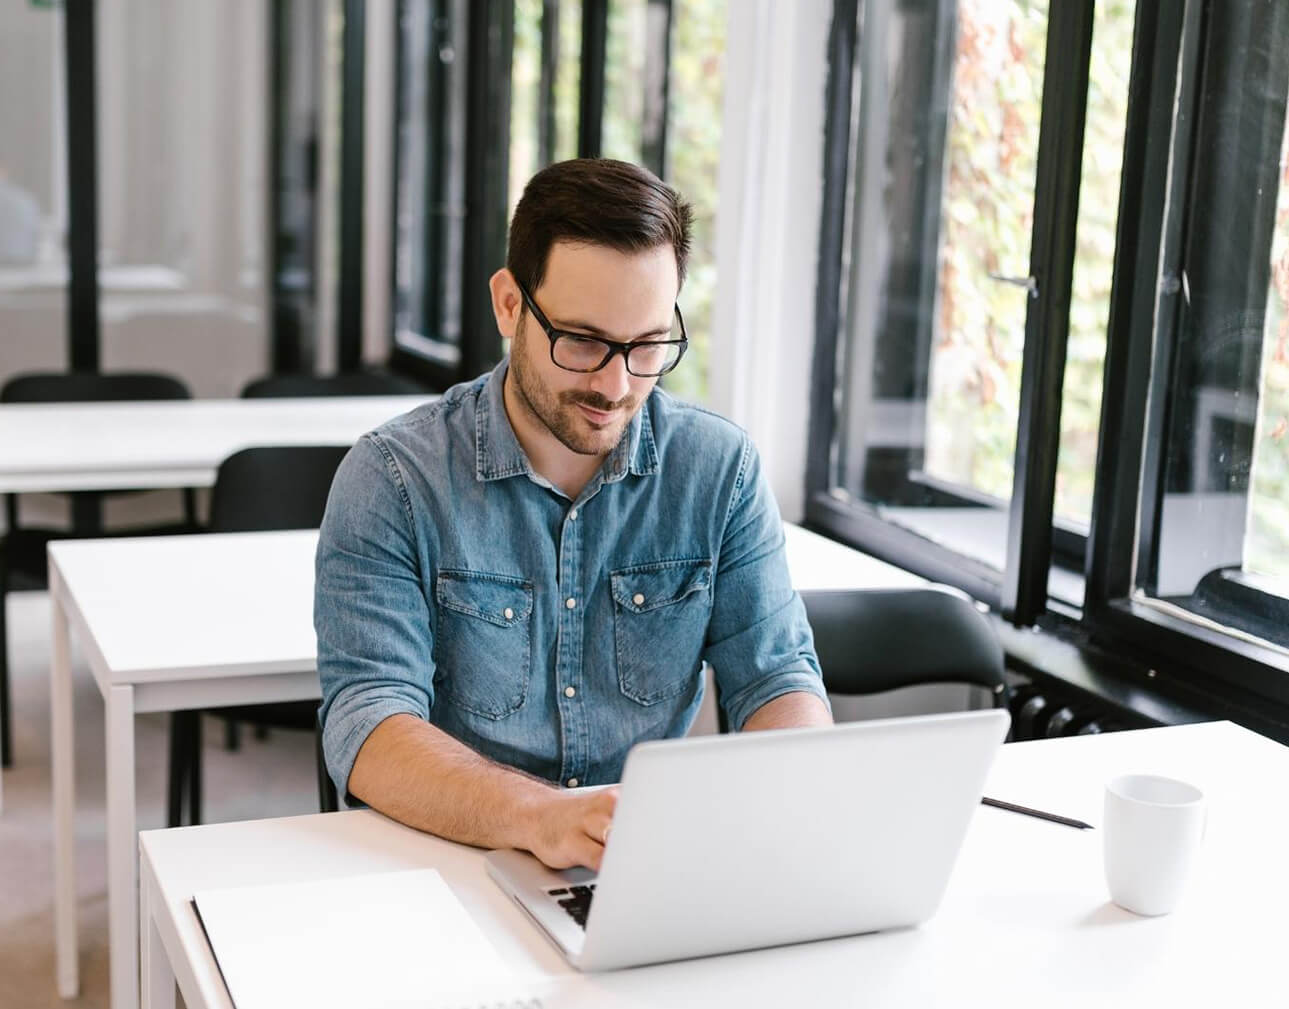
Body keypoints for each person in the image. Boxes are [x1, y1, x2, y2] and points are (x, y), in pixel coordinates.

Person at [316, 158, 831, 873]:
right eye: (582, 341)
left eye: (648, 344)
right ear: (508, 305)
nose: (616, 385)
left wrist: (793, 789)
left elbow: (776, 678)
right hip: (446, 864)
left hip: (632, 867)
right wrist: (541, 817)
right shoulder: (392, 479)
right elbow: (366, 721)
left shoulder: (719, 470)